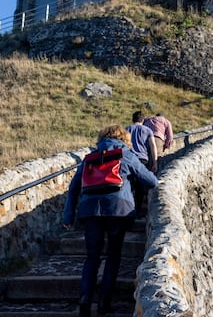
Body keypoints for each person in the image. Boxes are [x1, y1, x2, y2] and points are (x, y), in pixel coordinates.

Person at [63, 125, 158, 316]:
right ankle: (104, 303)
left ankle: (85, 300)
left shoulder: (89, 158)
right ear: (124, 138)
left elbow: (73, 188)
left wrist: (68, 216)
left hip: (90, 211)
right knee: (113, 255)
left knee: (92, 257)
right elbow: (150, 181)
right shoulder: (125, 154)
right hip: (118, 210)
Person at [126, 111, 158, 216]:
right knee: (140, 186)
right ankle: (138, 211)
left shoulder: (126, 129)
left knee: (129, 184)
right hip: (142, 160)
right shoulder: (148, 130)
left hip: (129, 159)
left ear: (133, 119)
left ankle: (128, 209)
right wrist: (155, 162)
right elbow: (153, 146)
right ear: (143, 120)